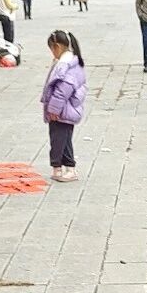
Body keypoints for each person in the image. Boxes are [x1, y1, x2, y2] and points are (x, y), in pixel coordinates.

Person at [41, 28, 86, 181]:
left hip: (62, 111)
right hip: (66, 109)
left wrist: (53, 109)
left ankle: (66, 168)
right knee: (63, 139)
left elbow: (62, 91)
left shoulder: (65, 66)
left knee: (59, 140)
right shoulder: (70, 63)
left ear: (57, 47)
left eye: (51, 49)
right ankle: (60, 168)